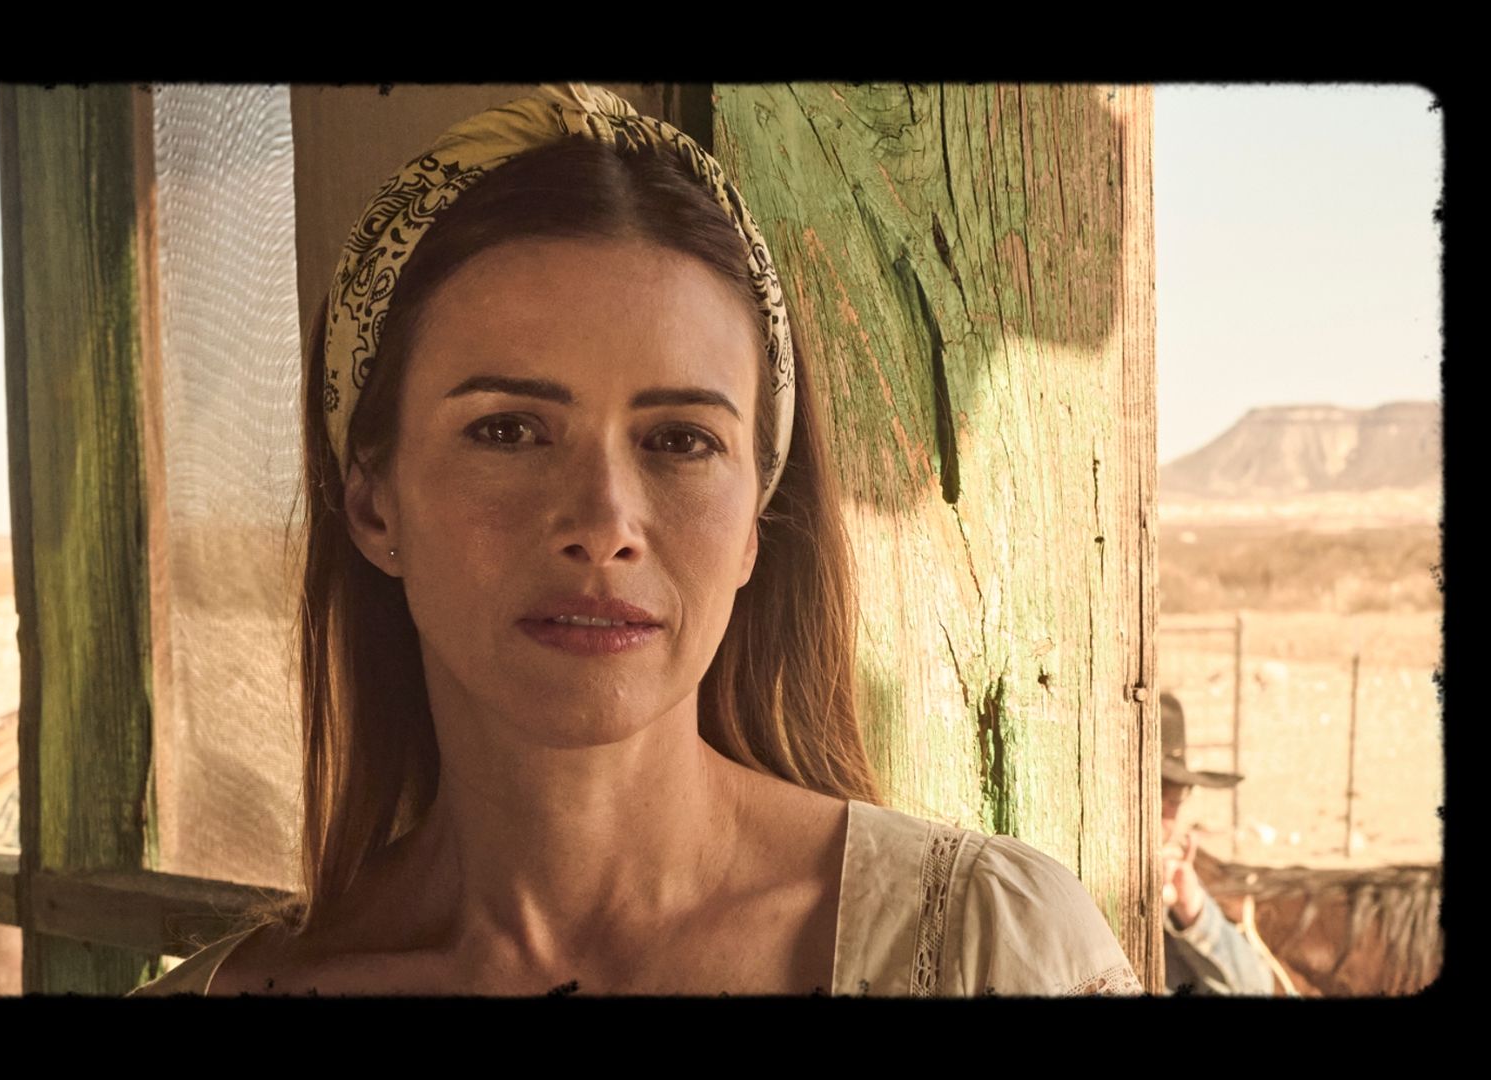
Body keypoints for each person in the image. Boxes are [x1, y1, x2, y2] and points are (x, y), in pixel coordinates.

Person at [132, 84, 1141, 997]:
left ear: (756, 521)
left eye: (680, 440)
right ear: (373, 506)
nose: (604, 524)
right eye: (508, 430)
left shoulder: (990, 954)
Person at [1159, 691, 1274, 995]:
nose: (1162, 817)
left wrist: (1193, 912)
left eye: (1173, 800)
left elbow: (1256, 989)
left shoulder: (1175, 895)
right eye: (1154, 795)